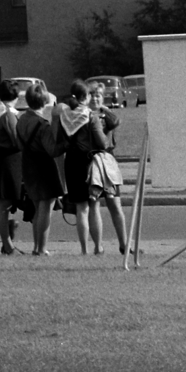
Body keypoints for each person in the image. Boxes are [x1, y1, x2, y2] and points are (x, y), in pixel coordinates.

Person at [59, 80, 128, 256]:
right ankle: (98, 247)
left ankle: (88, 249)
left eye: (98, 96)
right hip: (92, 162)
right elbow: (103, 143)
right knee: (93, 204)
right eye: (92, 95)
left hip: (74, 161)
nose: (95, 99)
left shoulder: (66, 114)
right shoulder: (91, 116)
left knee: (87, 207)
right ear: (86, 96)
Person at [14, 81, 65, 256]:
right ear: (44, 102)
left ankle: (37, 247)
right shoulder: (43, 125)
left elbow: (19, 144)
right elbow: (53, 149)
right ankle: (41, 248)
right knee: (46, 208)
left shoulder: (21, 120)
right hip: (43, 166)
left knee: (37, 207)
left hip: (27, 165)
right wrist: (65, 140)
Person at [0, 80, 24, 254]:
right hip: (8, 160)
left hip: (1, 158)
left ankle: (6, 242)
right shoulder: (8, 114)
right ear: (16, 96)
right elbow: (17, 140)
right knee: (4, 205)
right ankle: (7, 244)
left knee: (3, 205)